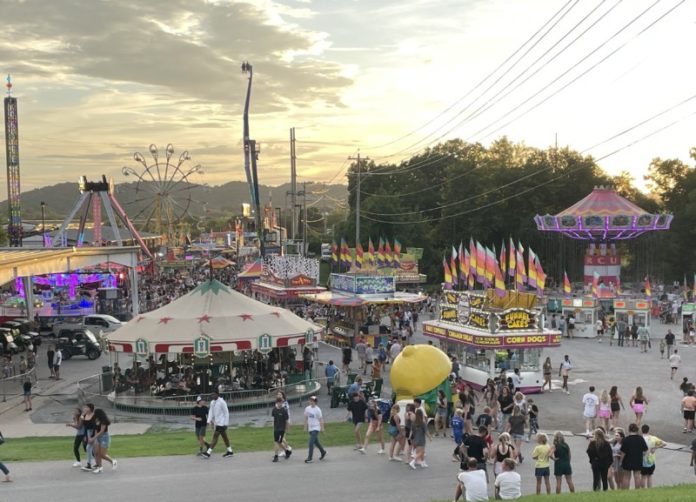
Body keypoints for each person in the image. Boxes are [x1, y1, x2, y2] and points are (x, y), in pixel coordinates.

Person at [201, 391, 234, 459]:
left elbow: (226, 413)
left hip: (222, 423)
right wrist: (208, 421)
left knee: (215, 437)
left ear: (217, 394)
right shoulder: (212, 402)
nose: (212, 396)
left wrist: (226, 424)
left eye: (213, 394)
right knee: (225, 437)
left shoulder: (222, 402)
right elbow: (211, 412)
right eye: (211, 394)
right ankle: (230, 451)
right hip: (217, 423)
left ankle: (208, 453)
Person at [620, 422, 648, 489]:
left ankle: (625, 493)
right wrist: (642, 455)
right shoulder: (640, 438)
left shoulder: (626, 439)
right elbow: (645, 450)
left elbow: (623, 452)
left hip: (627, 460)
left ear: (629, 430)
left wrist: (621, 461)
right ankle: (637, 492)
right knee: (637, 476)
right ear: (637, 430)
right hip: (638, 460)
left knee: (626, 477)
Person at [90, 408, 116, 473]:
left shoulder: (104, 421)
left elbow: (101, 431)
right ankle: (100, 467)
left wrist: (93, 438)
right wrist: (95, 439)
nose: (94, 414)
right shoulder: (96, 420)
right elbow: (95, 430)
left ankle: (113, 461)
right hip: (98, 437)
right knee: (96, 453)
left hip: (104, 437)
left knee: (102, 454)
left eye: (95, 413)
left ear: (98, 414)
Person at [640, 424, 665, 488]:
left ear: (641, 430)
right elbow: (664, 443)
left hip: (642, 461)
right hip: (651, 460)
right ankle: (650, 490)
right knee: (650, 476)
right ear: (648, 430)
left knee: (643, 477)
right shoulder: (653, 438)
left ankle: (643, 490)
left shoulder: (640, 439)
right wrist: (655, 448)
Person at [303, 395, 326, 463]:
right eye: (310, 400)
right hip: (310, 427)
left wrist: (322, 428)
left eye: (313, 401)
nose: (311, 402)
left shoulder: (318, 410)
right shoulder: (307, 408)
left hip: (316, 428)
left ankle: (310, 458)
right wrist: (305, 426)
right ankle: (323, 452)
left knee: (311, 442)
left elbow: (321, 419)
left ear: (315, 402)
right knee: (316, 442)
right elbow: (306, 417)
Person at [271, 397, 290, 462]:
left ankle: (276, 457)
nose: (281, 404)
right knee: (278, 442)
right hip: (276, 429)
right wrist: (273, 427)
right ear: (277, 403)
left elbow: (287, 421)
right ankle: (287, 451)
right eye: (280, 402)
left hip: (282, 429)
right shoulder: (274, 410)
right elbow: (274, 419)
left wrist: (287, 429)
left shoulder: (284, 410)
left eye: (282, 402)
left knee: (277, 442)